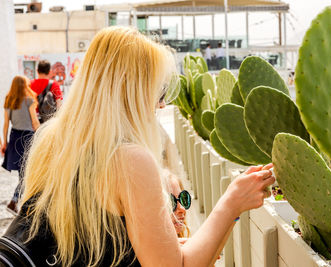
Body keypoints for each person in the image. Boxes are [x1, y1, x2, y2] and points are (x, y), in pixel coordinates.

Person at [4, 26, 274, 266]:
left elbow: (83, 242)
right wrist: (231, 203)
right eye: (159, 91)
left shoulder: (52, 141)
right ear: (130, 88)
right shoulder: (129, 160)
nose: (161, 105)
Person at [1, 75, 40, 215]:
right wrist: (43, 135)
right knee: (26, 173)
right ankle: (16, 201)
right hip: (28, 138)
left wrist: (4, 143)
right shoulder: (29, 100)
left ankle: (21, 202)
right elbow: (34, 123)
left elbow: (5, 124)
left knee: (23, 173)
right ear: (25, 85)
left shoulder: (9, 100)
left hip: (14, 136)